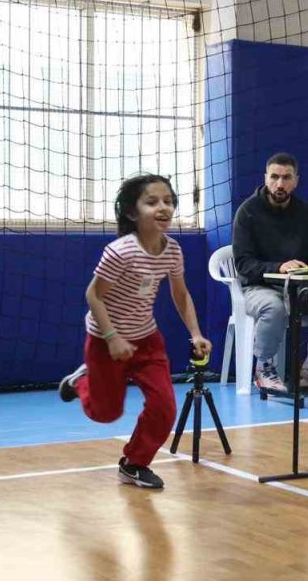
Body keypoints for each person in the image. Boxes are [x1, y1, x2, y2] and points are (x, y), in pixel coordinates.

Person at [57, 174, 211, 490]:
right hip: (106, 340)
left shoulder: (172, 251)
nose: (163, 208)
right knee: (105, 414)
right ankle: (82, 381)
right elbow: (93, 296)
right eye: (152, 202)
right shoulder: (120, 252)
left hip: (147, 339)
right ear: (132, 212)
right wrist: (113, 338)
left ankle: (134, 464)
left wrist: (195, 333)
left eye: (168, 201)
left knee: (164, 406)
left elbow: (180, 294)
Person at [232, 153, 308, 391]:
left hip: (298, 289)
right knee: (274, 307)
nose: (280, 184)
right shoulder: (247, 212)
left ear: (296, 181)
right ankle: (264, 368)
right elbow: (243, 264)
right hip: (257, 288)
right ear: (265, 179)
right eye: (275, 177)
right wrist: (278, 267)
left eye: (286, 177)